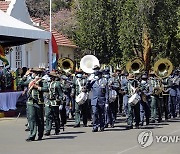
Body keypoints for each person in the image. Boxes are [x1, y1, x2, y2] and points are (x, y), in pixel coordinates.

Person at [25, 67, 45, 141]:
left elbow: (46, 89)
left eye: (36, 73)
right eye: (33, 72)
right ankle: (32, 135)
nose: (34, 74)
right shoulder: (30, 80)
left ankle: (40, 134)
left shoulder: (42, 81)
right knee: (31, 118)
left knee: (39, 119)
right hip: (30, 102)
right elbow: (21, 83)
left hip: (39, 102)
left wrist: (38, 87)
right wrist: (25, 76)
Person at [42, 71, 64, 136]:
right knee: (48, 115)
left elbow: (61, 94)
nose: (50, 78)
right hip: (48, 101)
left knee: (56, 116)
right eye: (50, 76)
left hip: (55, 101)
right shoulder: (46, 83)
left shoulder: (57, 84)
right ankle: (48, 130)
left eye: (51, 76)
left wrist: (61, 102)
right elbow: (44, 89)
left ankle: (57, 129)